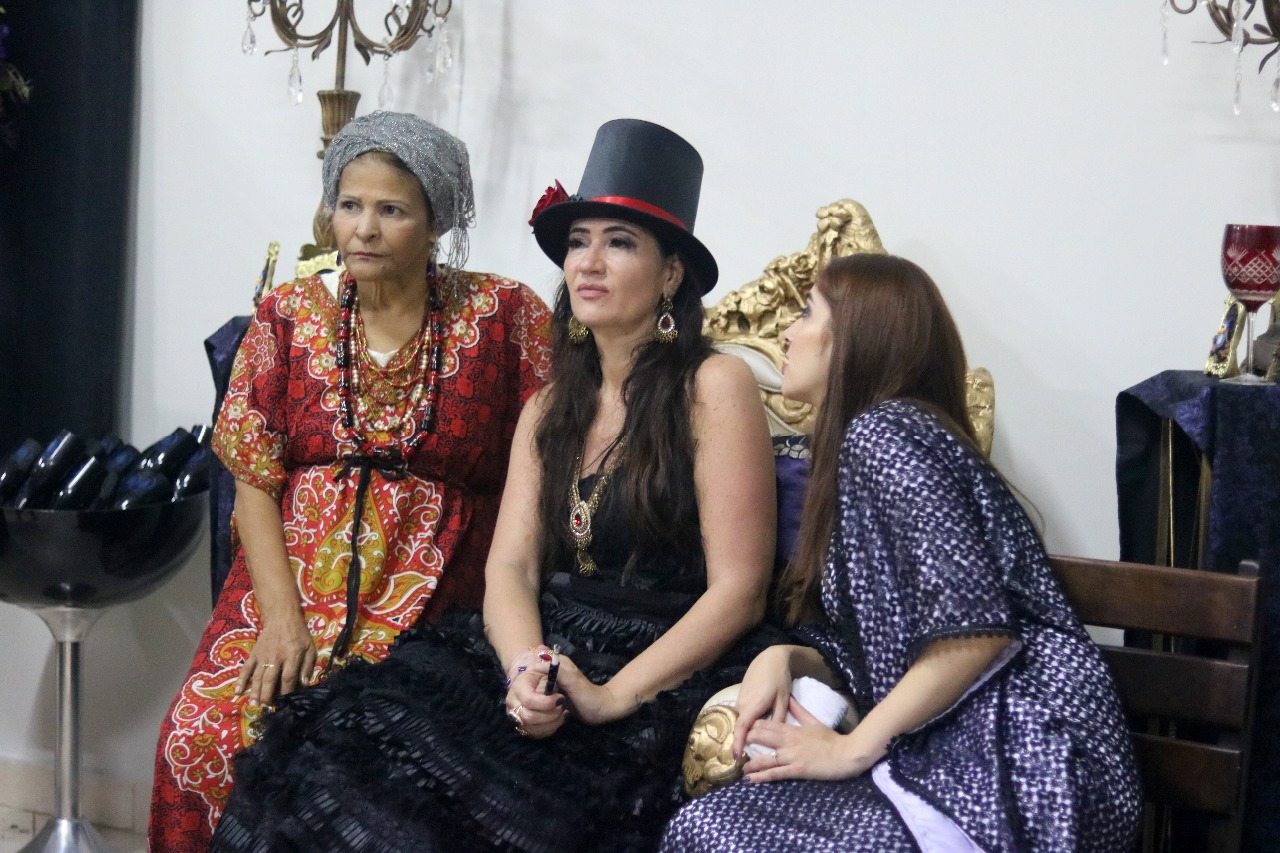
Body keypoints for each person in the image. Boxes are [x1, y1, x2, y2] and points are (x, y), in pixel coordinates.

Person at [207, 118, 780, 853]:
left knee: (490, 817)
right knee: (329, 750)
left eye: (619, 243)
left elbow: (739, 591)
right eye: (578, 241)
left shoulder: (714, 384)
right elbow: (510, 567)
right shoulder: (550, 403)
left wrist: (610, 697)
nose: (588, 263)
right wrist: (523, 669)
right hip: (541, 644)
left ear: (671, 273)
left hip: (659, 659)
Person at [148, 111, 553, 850]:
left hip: (435, 597)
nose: (363, 228)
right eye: (349, 204)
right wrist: (280, 619)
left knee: (359, 766)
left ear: (437, 221)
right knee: (197, 740)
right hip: (289, 584)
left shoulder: (504, 315)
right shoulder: (289, 314)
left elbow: (551, 460)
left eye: (392, 209)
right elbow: (253, 472)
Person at [661, 253, 1142, 852]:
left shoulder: (886, 434)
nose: (785, 331)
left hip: (1026, 764)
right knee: (711, 826)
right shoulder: (872, 442)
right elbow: (886, 654)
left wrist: (850, 750)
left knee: (712, 831)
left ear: (857, 337)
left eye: (807, 313)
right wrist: (786, 658)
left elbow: (975, 630)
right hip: (956, 756)